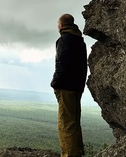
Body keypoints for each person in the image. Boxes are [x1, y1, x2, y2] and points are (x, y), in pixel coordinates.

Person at [51, 14, 87, 157]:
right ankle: (77, 152)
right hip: (77, 86)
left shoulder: (64, 40)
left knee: (66, 124)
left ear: (60, 25)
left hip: (66, 86)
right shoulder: (80, 41)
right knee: (74, 122)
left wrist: (55, 82)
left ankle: (69, 154)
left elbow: (62, 63)